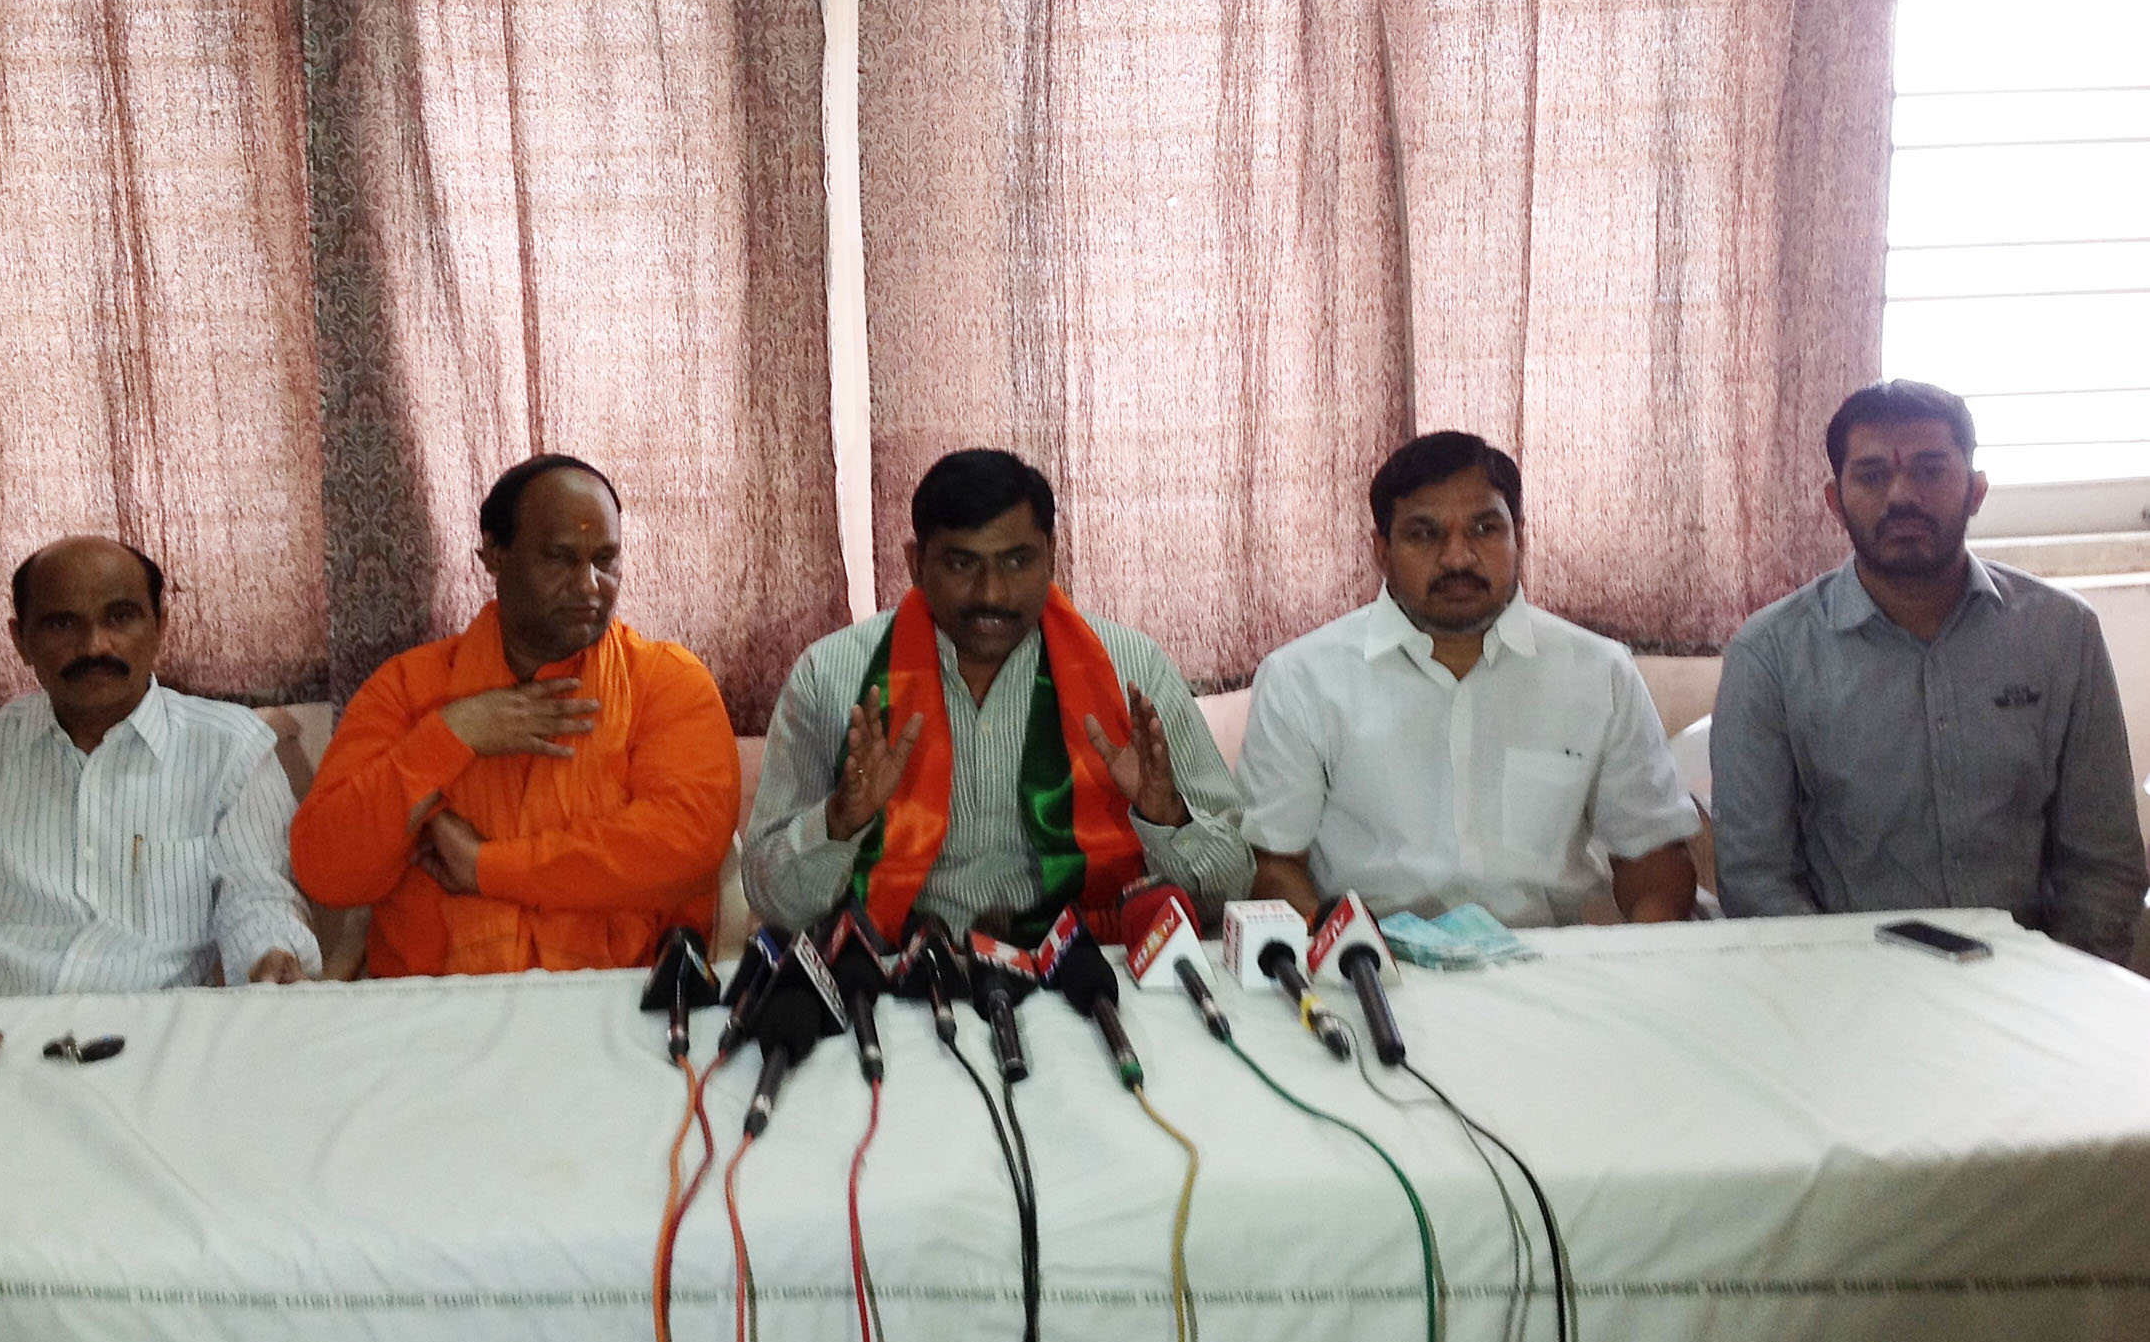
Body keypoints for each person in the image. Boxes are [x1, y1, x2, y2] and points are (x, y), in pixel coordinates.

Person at [0, 537, 318, 1062]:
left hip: (156, 1051)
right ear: (21, 641)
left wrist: (269, 957)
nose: (95, 646)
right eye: (62, 624)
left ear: (159, 624)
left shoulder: (231, 748)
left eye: (121, 617)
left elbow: (258, 894)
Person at [1711, 380, 2146, 961]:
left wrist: (2065, 984)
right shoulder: (1771, 654)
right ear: (1834, 502)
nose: (1901, 496)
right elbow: (1755, 879)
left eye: (1931, 470)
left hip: (2034, 983)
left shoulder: (2061, 633)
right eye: (1870, 476)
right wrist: (1842, 990)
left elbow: (2104, 859)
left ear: (1975, 490)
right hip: (1849, 990)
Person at [745, 448, 1252, 941]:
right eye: (963, 565)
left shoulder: (1131, 670)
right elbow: (771, 902)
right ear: (916, 564)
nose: (992, 593)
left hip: (1089, 967)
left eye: (1016, 562)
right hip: (900, 976)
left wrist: (1166, 815)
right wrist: (839, 821)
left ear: (1051, 556)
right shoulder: (832, 678)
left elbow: (1232, 886)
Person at [292, 454, 739, 975]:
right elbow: (327, 870)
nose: (591, 586)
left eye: (606, 559)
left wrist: (489, 869)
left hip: (614, 1002)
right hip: (433, 1013)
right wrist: (451, 735)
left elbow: (684, 845)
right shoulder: (408, 689)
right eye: (560, 558)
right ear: (494, 555)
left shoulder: (667, 681)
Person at [1237, 431, 1699, 928]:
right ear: (1382, 550)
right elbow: (1274, 867)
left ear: (1519, 535)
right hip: (1378, 970)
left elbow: (1653, 859)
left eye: (1484, 529)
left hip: (1554, 966)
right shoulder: (1302, 679)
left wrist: (1643, 970)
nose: (1457, 558)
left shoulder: (1599, 672)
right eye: (1424, 534)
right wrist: (1346, 956)